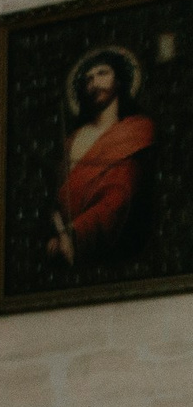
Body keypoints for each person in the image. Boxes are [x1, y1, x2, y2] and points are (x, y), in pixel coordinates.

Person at [52, 48, 154, 270]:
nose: (94, 82)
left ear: (118, 81)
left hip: (110, 241)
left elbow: (120, 193)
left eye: (102, 73)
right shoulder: (71, 140)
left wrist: (74, 232)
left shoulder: (135, 131)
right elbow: (59, 193)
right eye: (88, 78)